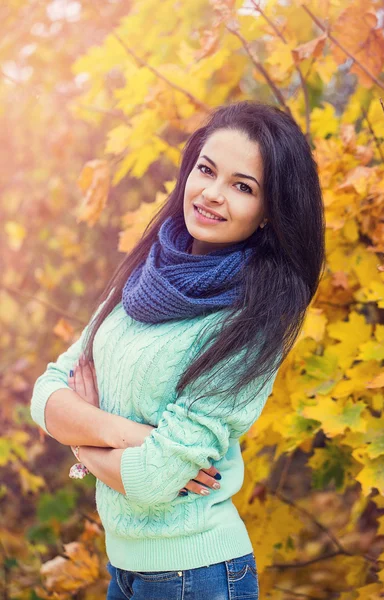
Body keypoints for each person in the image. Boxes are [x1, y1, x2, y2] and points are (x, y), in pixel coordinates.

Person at [30, 100, 325, 600]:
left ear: (270, 211)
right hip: (122, 569)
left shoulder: (250, 318)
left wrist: (78, 437)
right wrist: (126, 434)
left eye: (242, 186)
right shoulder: (147, 276)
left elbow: (150, 480)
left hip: (197, 575)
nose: (212, 194)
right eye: (206, 170)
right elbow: (45, 395)